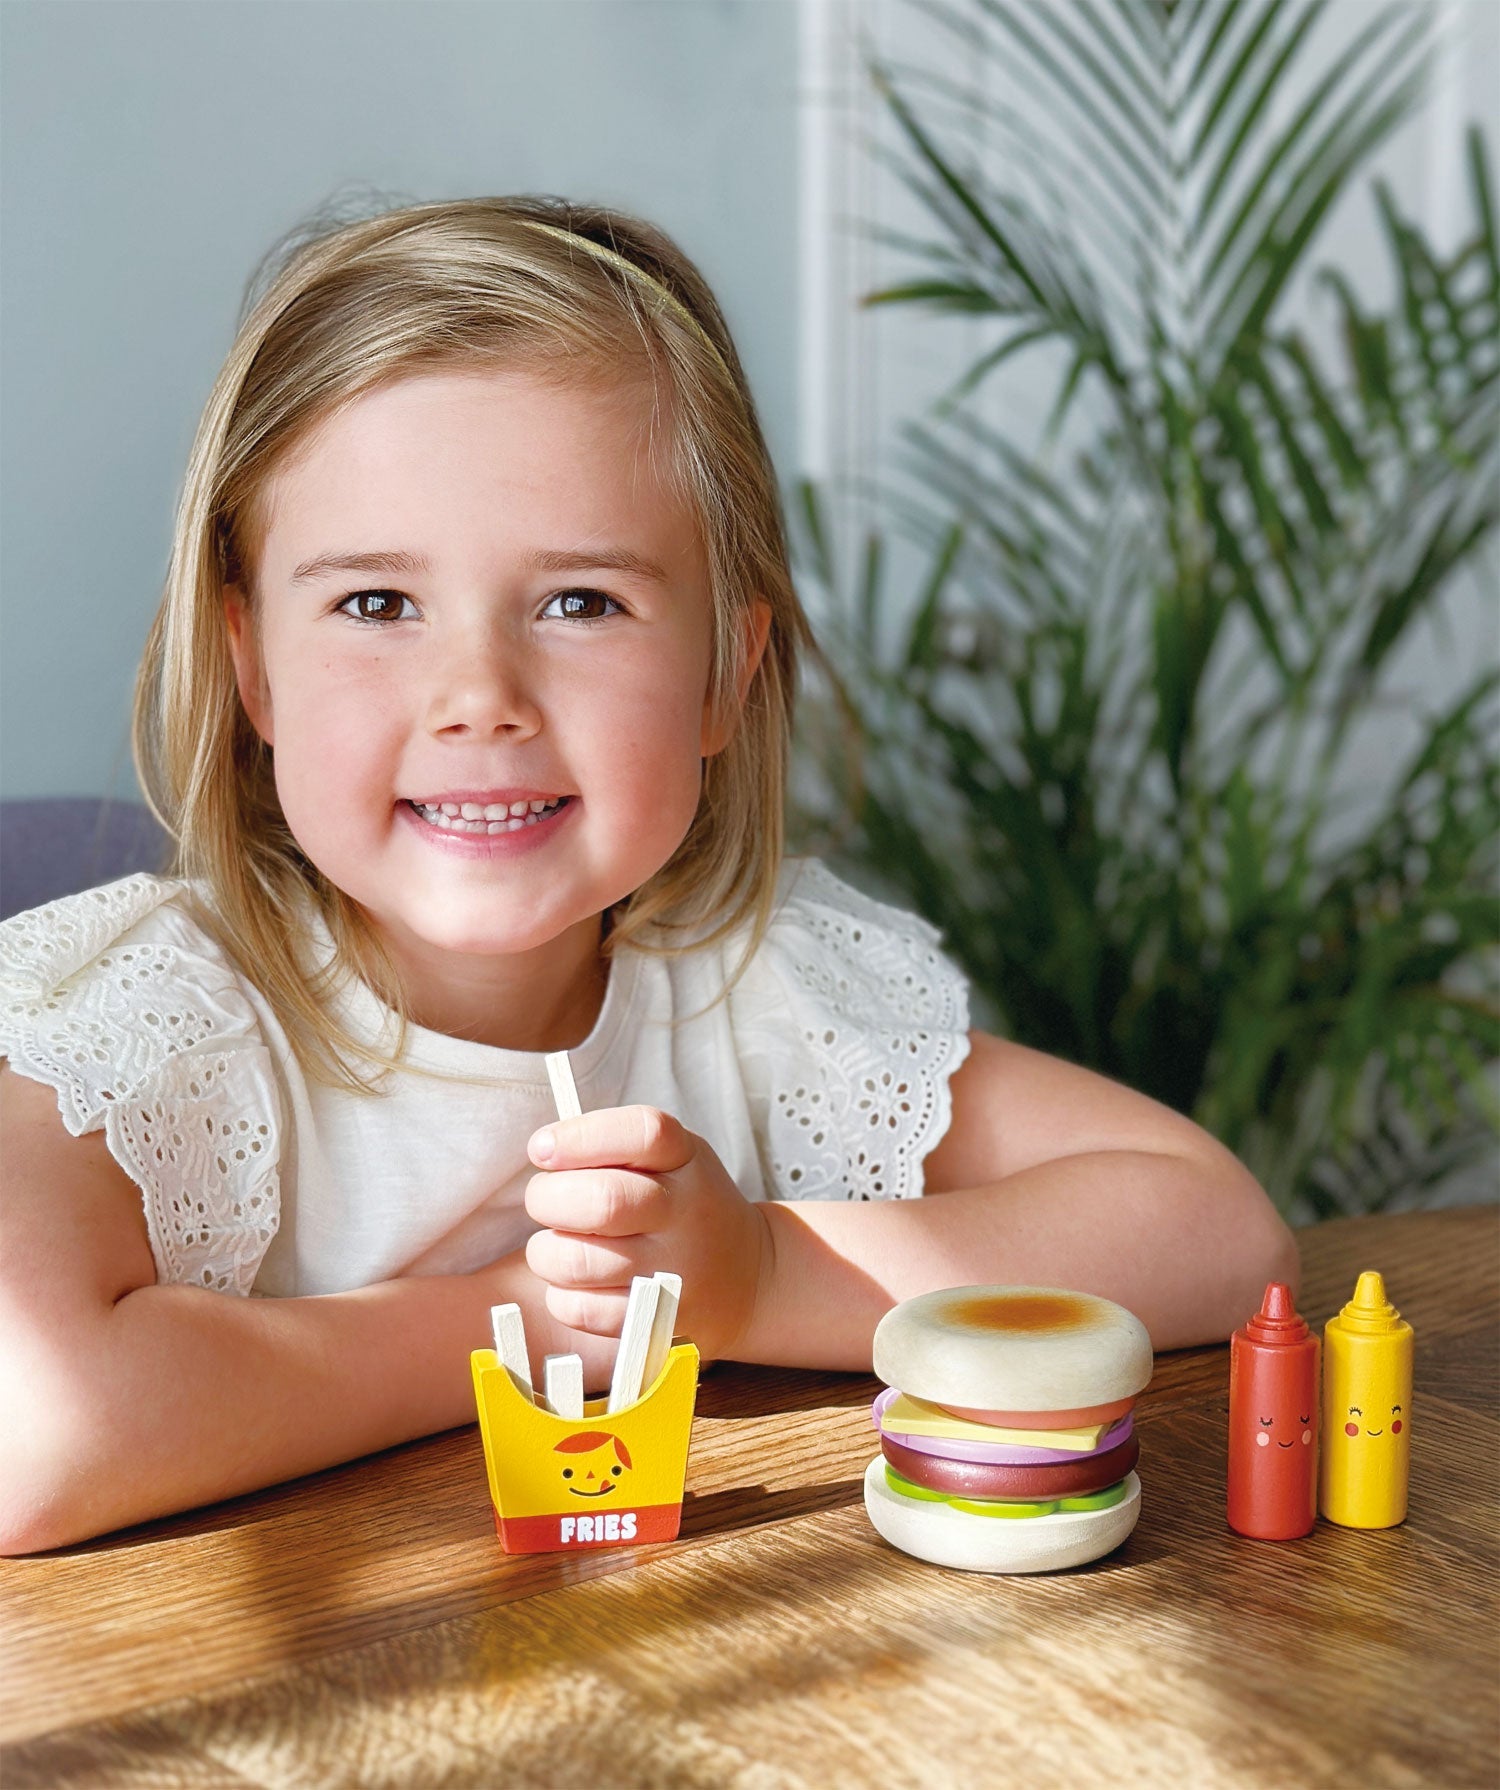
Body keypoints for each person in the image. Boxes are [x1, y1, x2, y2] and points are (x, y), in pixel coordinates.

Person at [0, 196, 1297, 1554]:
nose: (479, 696)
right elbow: (30, 1426)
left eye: (580, 602)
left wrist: (758, 1276)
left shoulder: (760, 985)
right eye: (377, 603)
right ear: (253, 661)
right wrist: (519, 1317)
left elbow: (1220, 1234)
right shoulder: (151, 1025)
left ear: (723, 676)